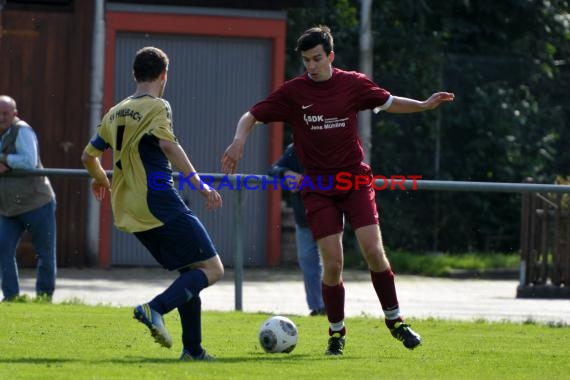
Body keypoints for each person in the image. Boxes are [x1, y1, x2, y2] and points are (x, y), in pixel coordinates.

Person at [222, 25, 454, 355]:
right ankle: (336, 332)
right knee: (333, 263)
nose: (311, 66)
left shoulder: (353, 84)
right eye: (306, 60)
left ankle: (396, 321)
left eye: (317, 58)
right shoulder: (293, 92)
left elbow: (389, 102)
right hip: (317, 187)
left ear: (330, 56)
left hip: (354, 182)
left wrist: (424, 104)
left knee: (373, 251)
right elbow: (252, 115)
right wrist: (238, 139)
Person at [81, 46, 224, 361]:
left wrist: (100, 180)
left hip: (129, 208)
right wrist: (199, 184)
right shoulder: (158, 106)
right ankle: (155, 308)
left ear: (134, 75)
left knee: (190, 269)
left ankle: (194, 350)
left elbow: (88, 156)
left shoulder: (115, 111)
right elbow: (167, 145)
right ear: (164, 75)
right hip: (158, 201)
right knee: (213, 268)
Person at [0, 95, 57, 302]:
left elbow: (30, 161)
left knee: (45, 253)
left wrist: (5, 159)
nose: (1, 117)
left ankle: (44, 297)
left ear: (14, 114)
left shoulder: (22, 130)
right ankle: (11, 298)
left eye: (5, 113)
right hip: (8, 207)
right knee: (2, 249)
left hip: (37, 203)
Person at [268, 143, 325, 316]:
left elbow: (338, 177)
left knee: (333, 264)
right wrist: (286, 173)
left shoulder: (330, 145)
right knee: (308, 263)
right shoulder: (295, 149)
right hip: (304, 220)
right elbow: (273, 170)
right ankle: (318, 308)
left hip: (329, 217)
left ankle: (333, 306)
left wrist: (304, 181)